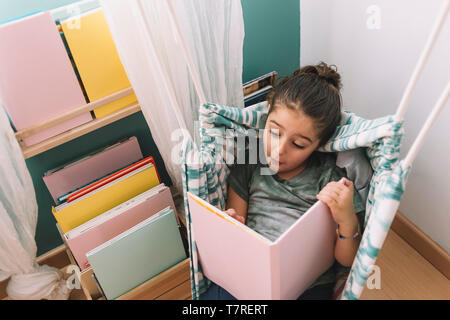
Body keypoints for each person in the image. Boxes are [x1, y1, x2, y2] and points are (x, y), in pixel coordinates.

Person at [200, 62, 366, 300]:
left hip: (308, 286)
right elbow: (238, 224)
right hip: (250, 275)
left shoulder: (329, 178)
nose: (279, 151)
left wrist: (347, 220)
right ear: (266, 117)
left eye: (298, 144)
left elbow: (347, 260)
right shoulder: (250, 162)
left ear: (319, 145)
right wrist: (231, 226)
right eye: (274, 132)